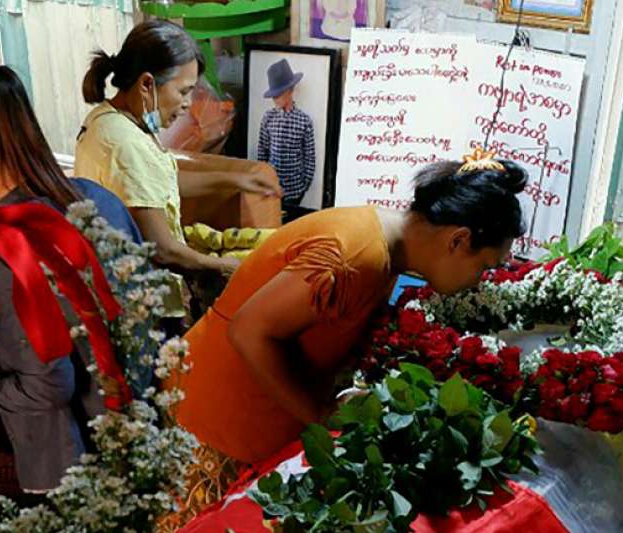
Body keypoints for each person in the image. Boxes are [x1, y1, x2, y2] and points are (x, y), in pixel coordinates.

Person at [164, 155, 528, 526]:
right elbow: (249, 332)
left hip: (239, 413)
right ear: (458, 240)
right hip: (215, 418)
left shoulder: (386, 241)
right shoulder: (356, 256)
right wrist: (319, 415)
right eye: (484, 266)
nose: (480, 279)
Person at [0, 66, 140, 495]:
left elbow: (49, 385)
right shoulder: (96, 198)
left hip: (76, 463)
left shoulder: (6, 249)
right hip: (139, 432)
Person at [76, 20, 282, 325]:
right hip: (142, 312)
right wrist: (227, 268)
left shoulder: (114, 119)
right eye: (183, 91)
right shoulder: (123, 143)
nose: (188, 104)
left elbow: (159, 181)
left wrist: (235, 180)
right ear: (147, 84)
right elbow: (164, 250)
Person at [257, 59, 316, 209]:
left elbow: (309, 157)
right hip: (271, 188)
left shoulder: (304, 121)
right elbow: (262, 152)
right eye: (273, 95)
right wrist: (264, 181)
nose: (274, 99)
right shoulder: (268, 118)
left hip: (295, 190)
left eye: (278, 95)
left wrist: (303, 186)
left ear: (290, 90)